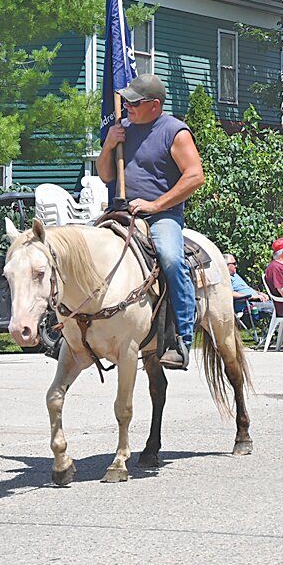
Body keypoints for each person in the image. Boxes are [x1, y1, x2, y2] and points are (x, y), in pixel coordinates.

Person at [96, 73, 204, 370]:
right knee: (81, 251)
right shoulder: (123, 129)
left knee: (170, 258)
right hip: (120, 211)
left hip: (161, 216)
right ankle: (70, 331)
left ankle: (181, 339)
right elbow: (106, 175)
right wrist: (108, 145)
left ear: (155, 105)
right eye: (126, 100)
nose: (127, 105)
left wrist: (155, 204)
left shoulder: (174, 131)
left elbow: (195, 176)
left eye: (134, 101)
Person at [225, 254, 273, 327]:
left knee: (282, 305)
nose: (236, 266)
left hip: (256, 301)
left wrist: (259, 293)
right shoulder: (225, 278)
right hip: (247, 306)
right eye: (234, 264)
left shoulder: (235, 275)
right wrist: (252, 297)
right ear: (226, 265)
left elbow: (246, 288)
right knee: (277, 308)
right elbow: (229, 293)